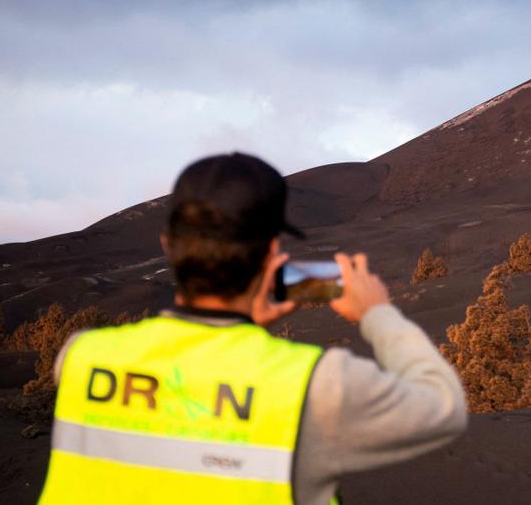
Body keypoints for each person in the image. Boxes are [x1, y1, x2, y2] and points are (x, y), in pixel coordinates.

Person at [38, 152, 467, 504]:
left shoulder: (81, 357)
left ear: (168, 245)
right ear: (270, 254)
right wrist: (377, 313)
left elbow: (179, 390)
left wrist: (239, 327)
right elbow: (443, 407)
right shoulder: (313, 385)